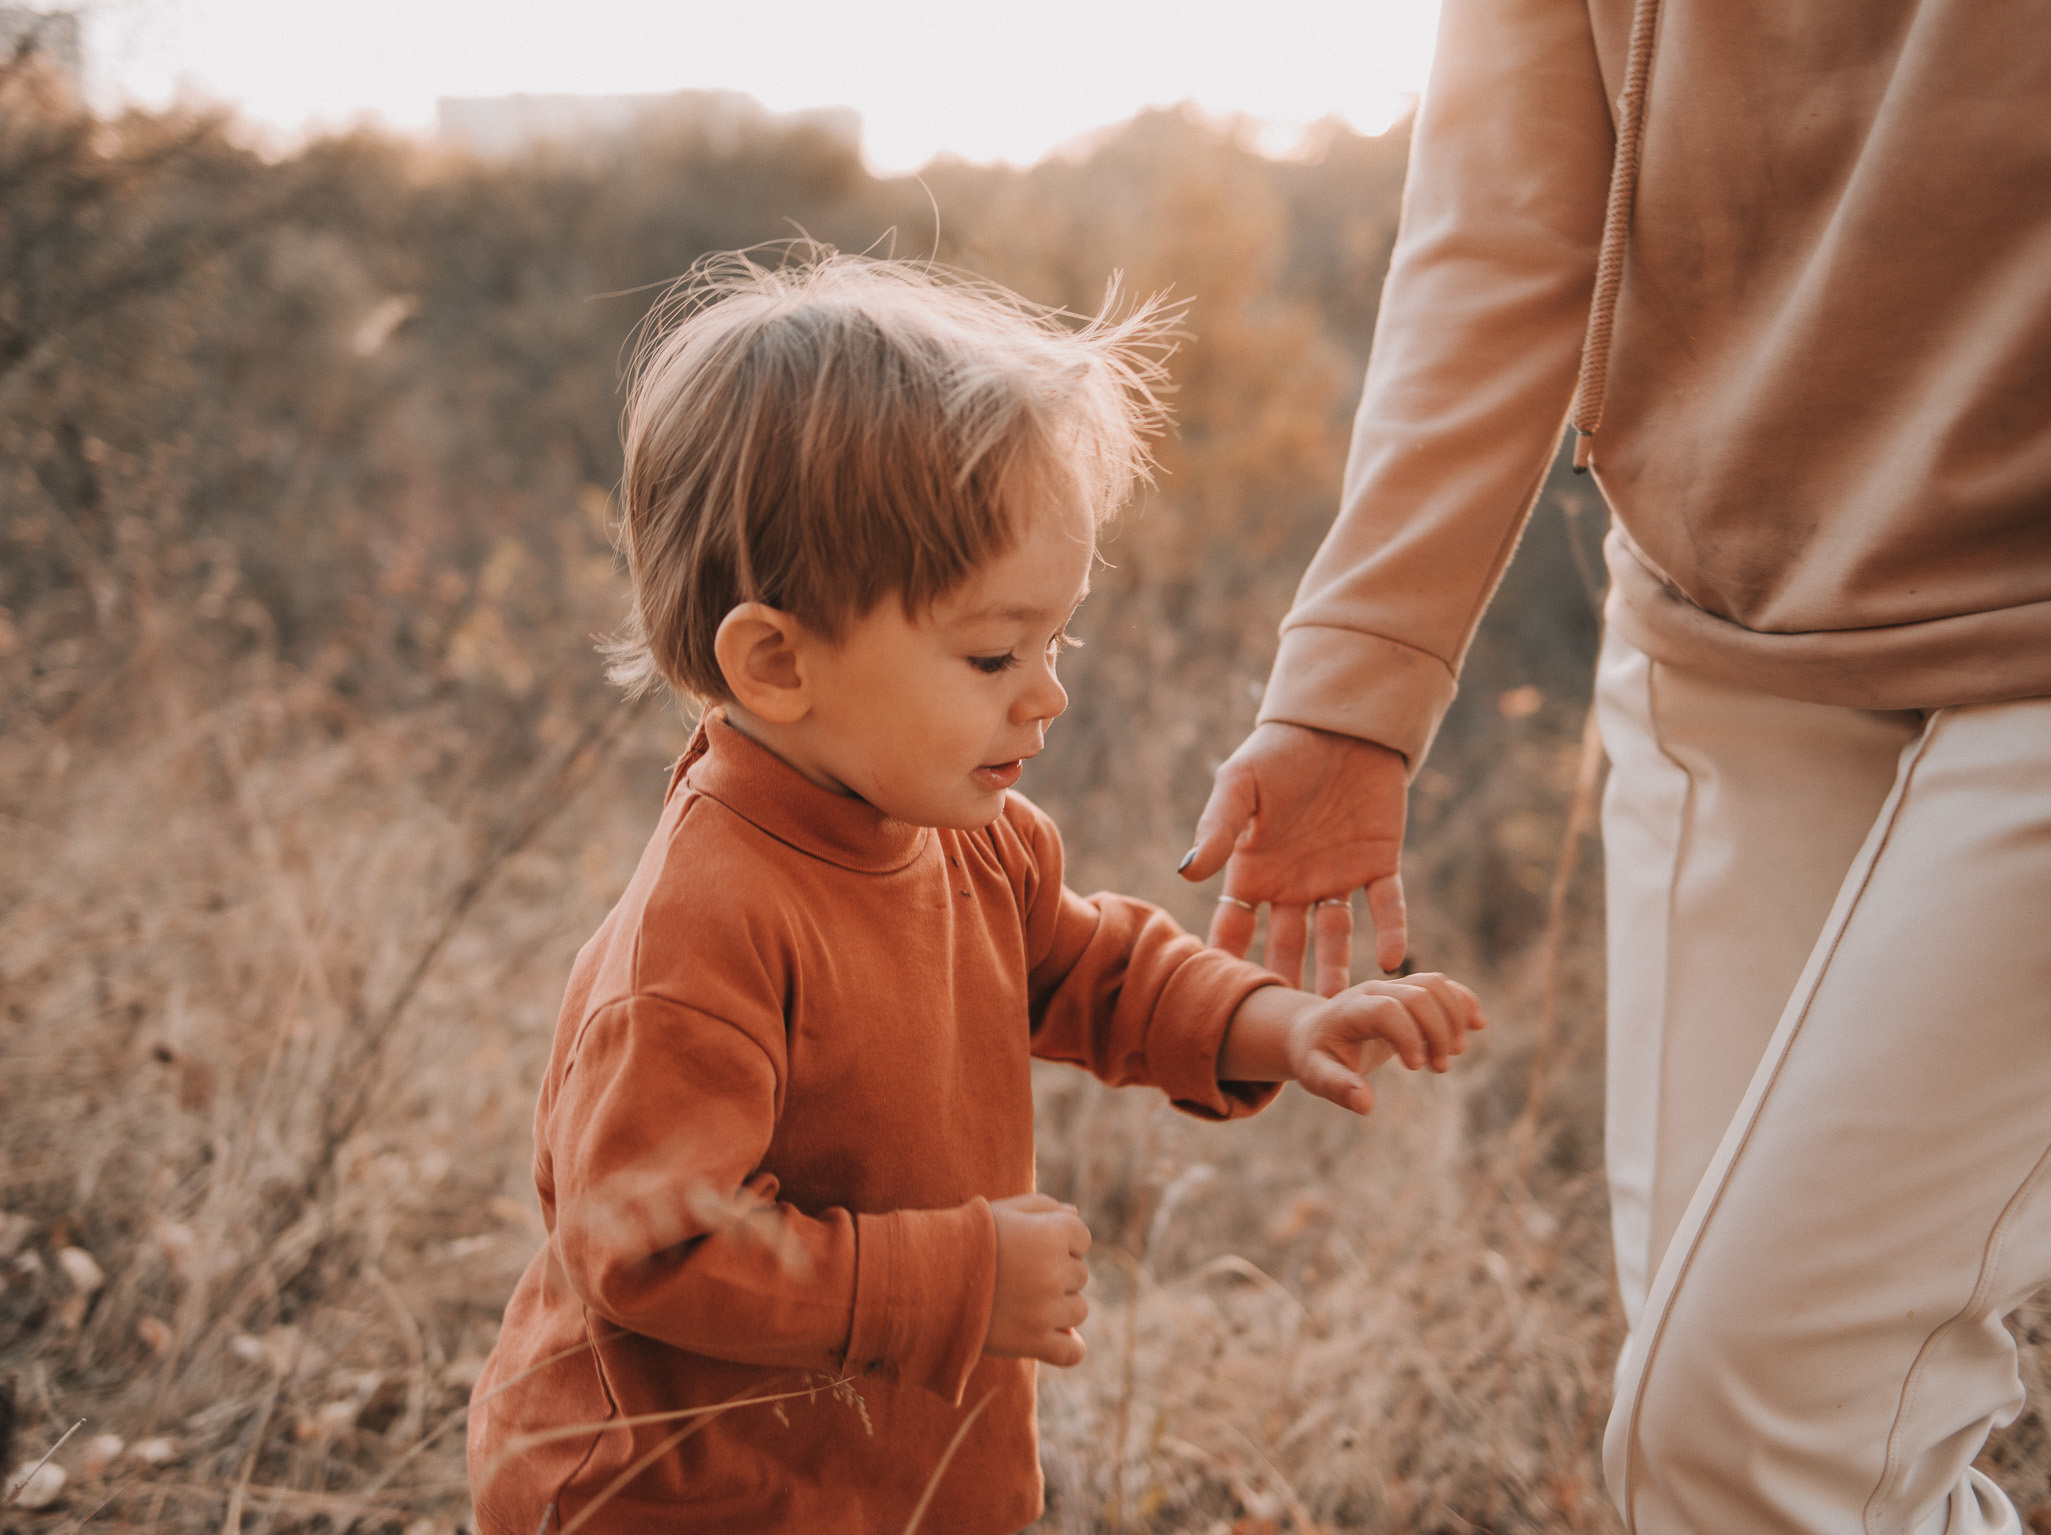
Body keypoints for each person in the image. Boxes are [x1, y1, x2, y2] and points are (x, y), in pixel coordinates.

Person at [1183, 0, 2051, 1530]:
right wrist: (1354, 684)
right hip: (1724, 634)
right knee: (1724, 1466)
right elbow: (1502, 213)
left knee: (1738, 1425)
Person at [465, 251, 1487, 1535]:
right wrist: (951, 1280)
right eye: (995, 652)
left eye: (1057, 637)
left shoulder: (971, 840)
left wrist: (1276, 1021)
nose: (1046, 691)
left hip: (887, 1474)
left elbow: (1092, 967)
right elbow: (649, 1243)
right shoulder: (706, 927)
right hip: (675, 1494)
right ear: (776, 661)